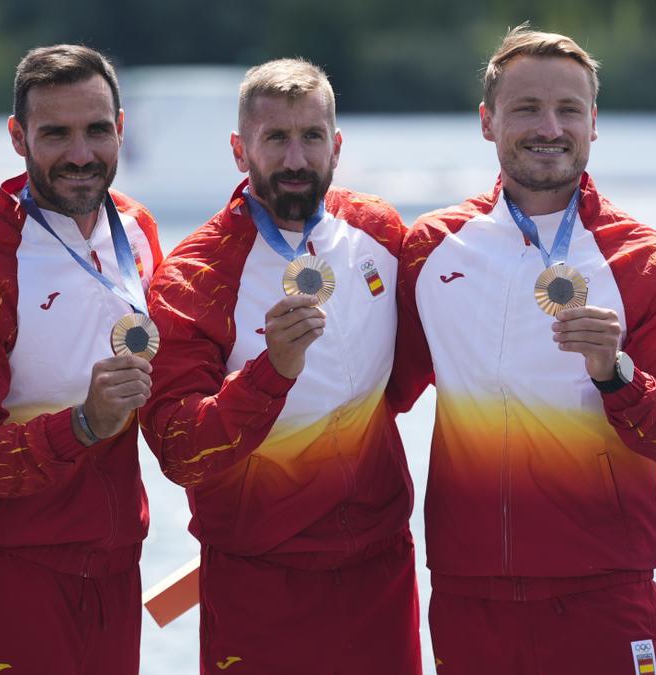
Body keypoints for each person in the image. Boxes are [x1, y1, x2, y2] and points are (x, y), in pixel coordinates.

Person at [390, 25, 656, 675]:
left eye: (568, 109)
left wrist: (616, 374)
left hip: (602, 592)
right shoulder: (431, 249)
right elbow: (375, 397)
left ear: (594, 123)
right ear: (488, 122)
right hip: (469, 593)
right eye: (526, 109)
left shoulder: (652, 263)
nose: (549, 126)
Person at [141, 58, 421, 674]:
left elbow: (404, 375)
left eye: (312, 137)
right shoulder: (195, 277)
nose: (296, 159)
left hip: (379, 565)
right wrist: (272, 372)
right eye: (276, 139)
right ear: (241, 151)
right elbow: (178, 449)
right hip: (259, 577)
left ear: (337, 146)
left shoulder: (379, 231)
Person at [0, 45, 160, 675]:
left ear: (121, 128)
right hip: (7, 577)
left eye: (97, 130)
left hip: (116, 569)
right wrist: (80, 425)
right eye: (56, 134)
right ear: (18, 137)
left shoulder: (135, 228)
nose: (81, 154)